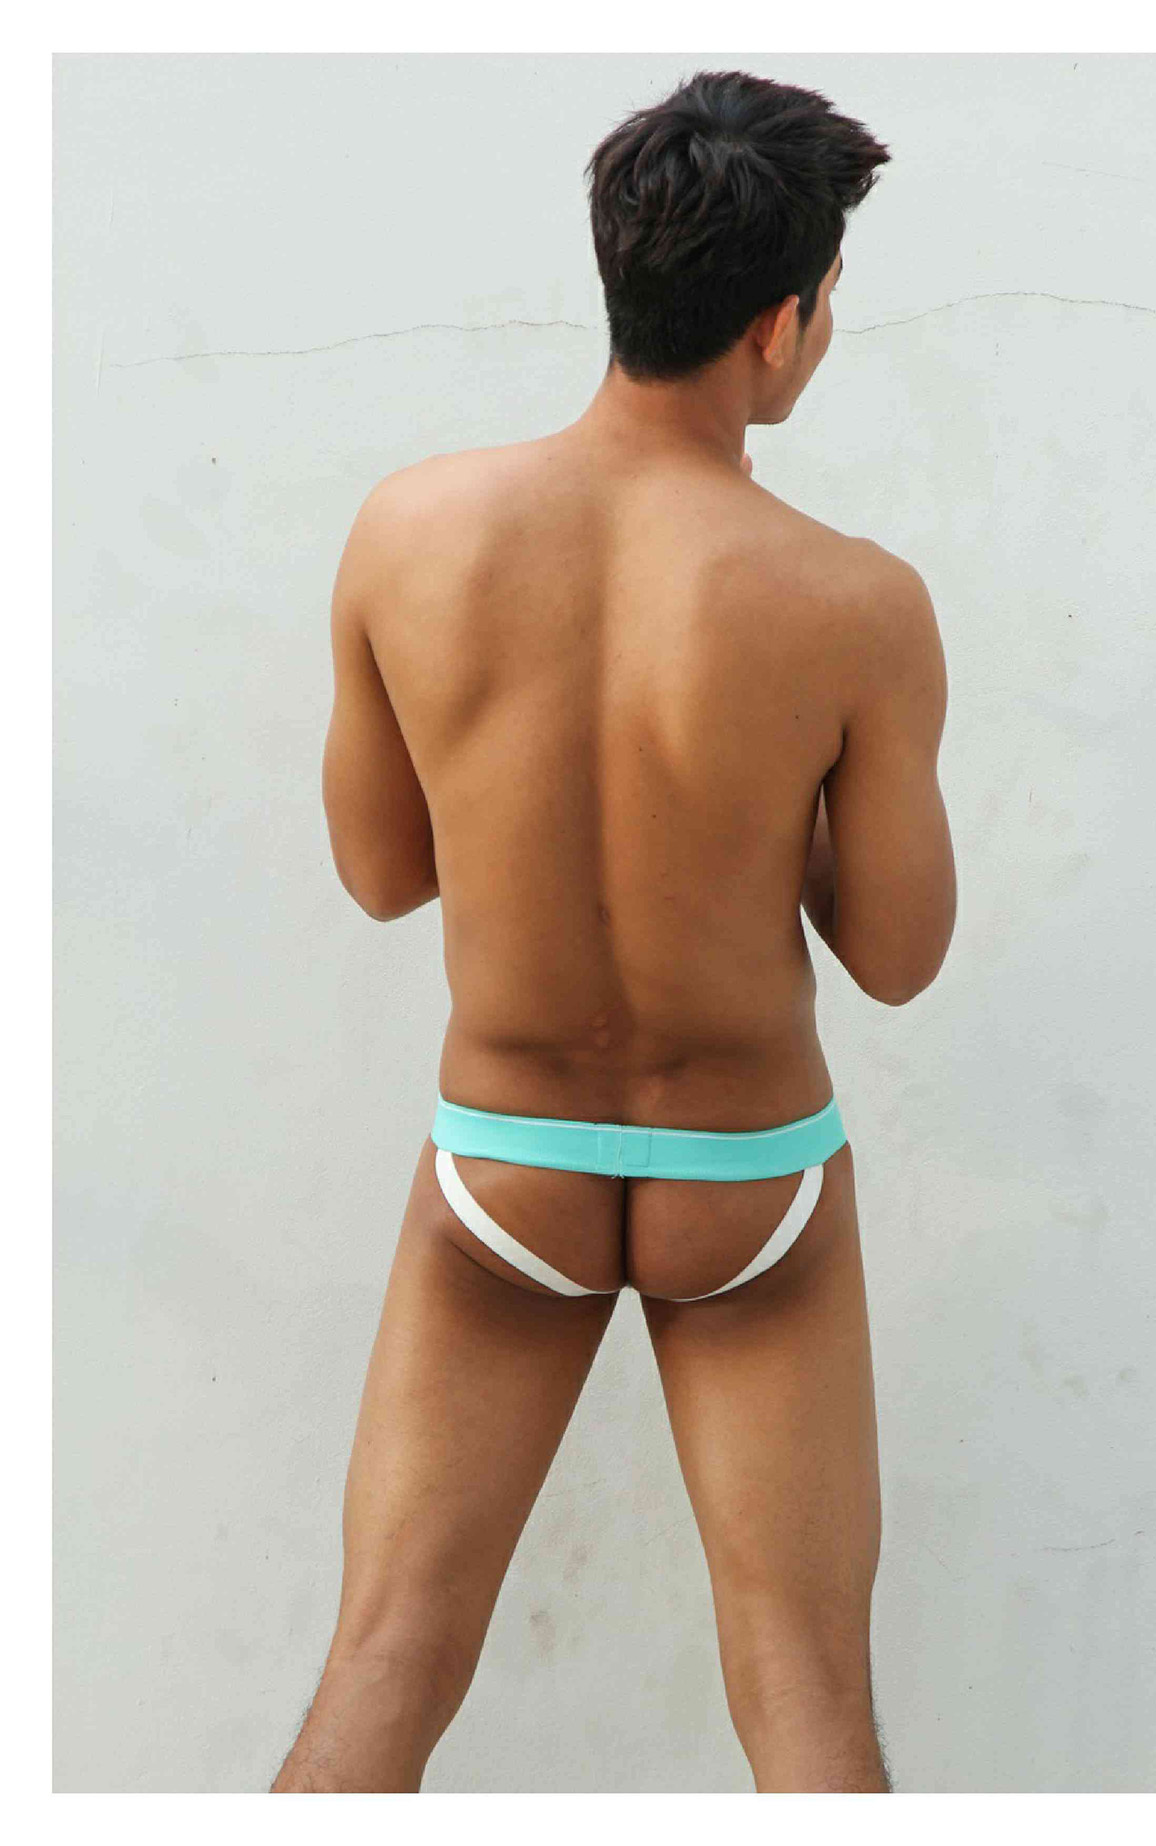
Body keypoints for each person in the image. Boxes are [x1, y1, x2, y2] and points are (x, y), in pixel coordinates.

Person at [273, 68, 955, 1795]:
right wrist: (769, 807)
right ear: (782, 322)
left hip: (505, 1163)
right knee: (805, 1686)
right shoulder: (856, 602)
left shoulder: (408, 532)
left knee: (388, 1657)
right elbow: (898, 954)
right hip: (750, 1175)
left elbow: (381, 872)